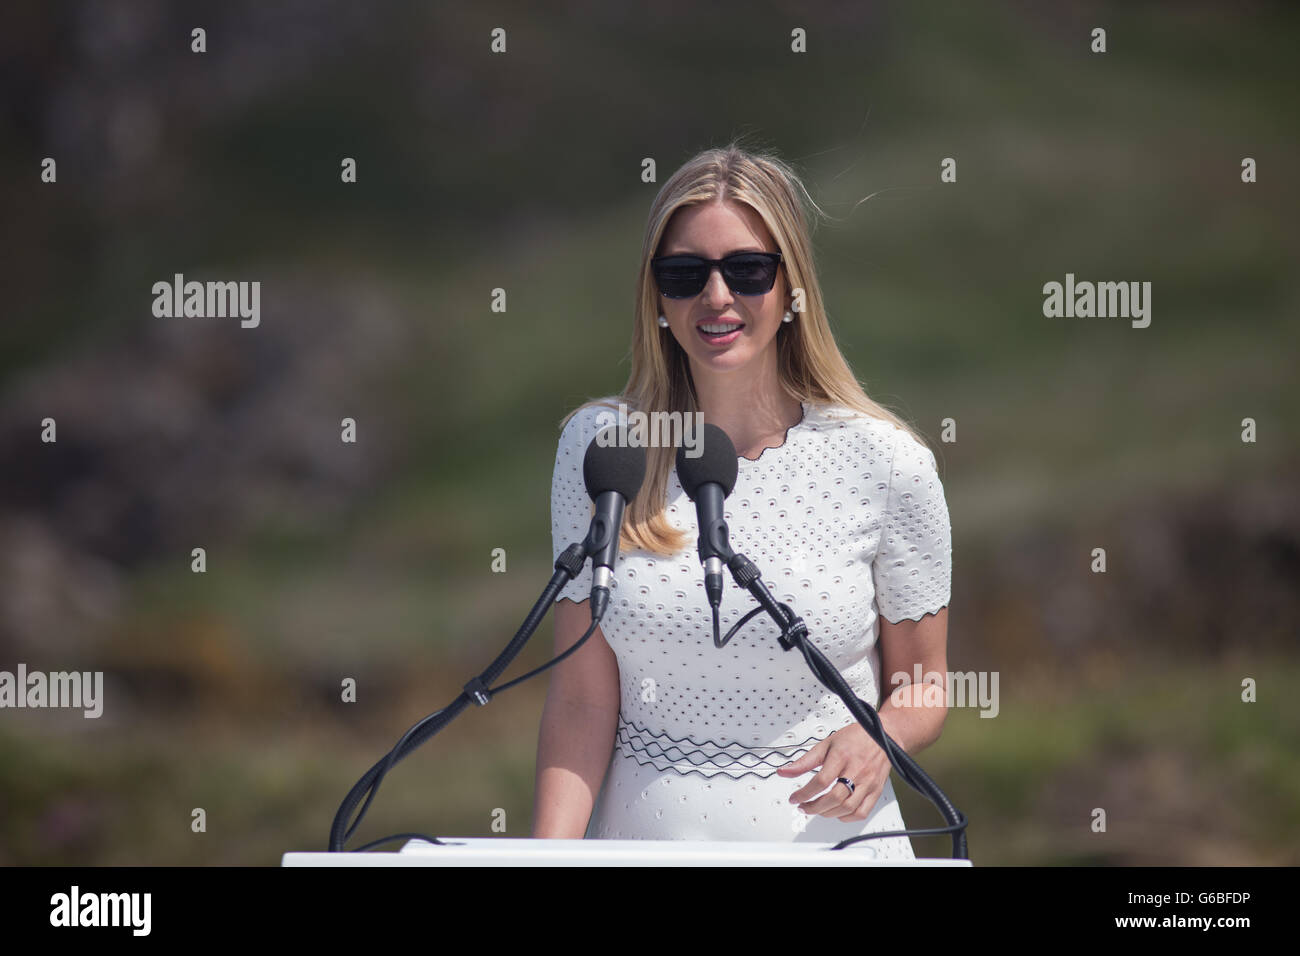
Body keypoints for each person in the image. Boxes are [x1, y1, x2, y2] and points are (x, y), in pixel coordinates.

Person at [532, 142, 951, 860]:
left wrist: (880, 734)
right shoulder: (601, 447)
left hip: (833, 846)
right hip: (642, 844)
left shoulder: (887, 463)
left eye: (748, 270)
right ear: (657, 296)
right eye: (685, 273)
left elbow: (924, 686)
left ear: (792, 287)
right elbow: (580, 700)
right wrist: (539, 860)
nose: (716, 297)